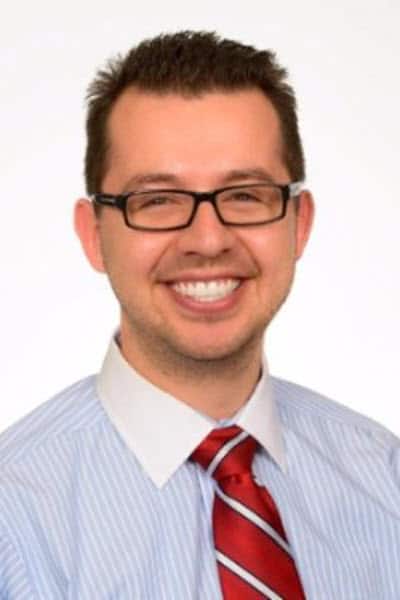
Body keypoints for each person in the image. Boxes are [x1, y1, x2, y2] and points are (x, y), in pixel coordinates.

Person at [0, 30, 399, 600]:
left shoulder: (385, 478)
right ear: (94, 236)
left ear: (298, 224)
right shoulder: (12, 516)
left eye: (245, 195)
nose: (207, 239)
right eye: (157, 200)